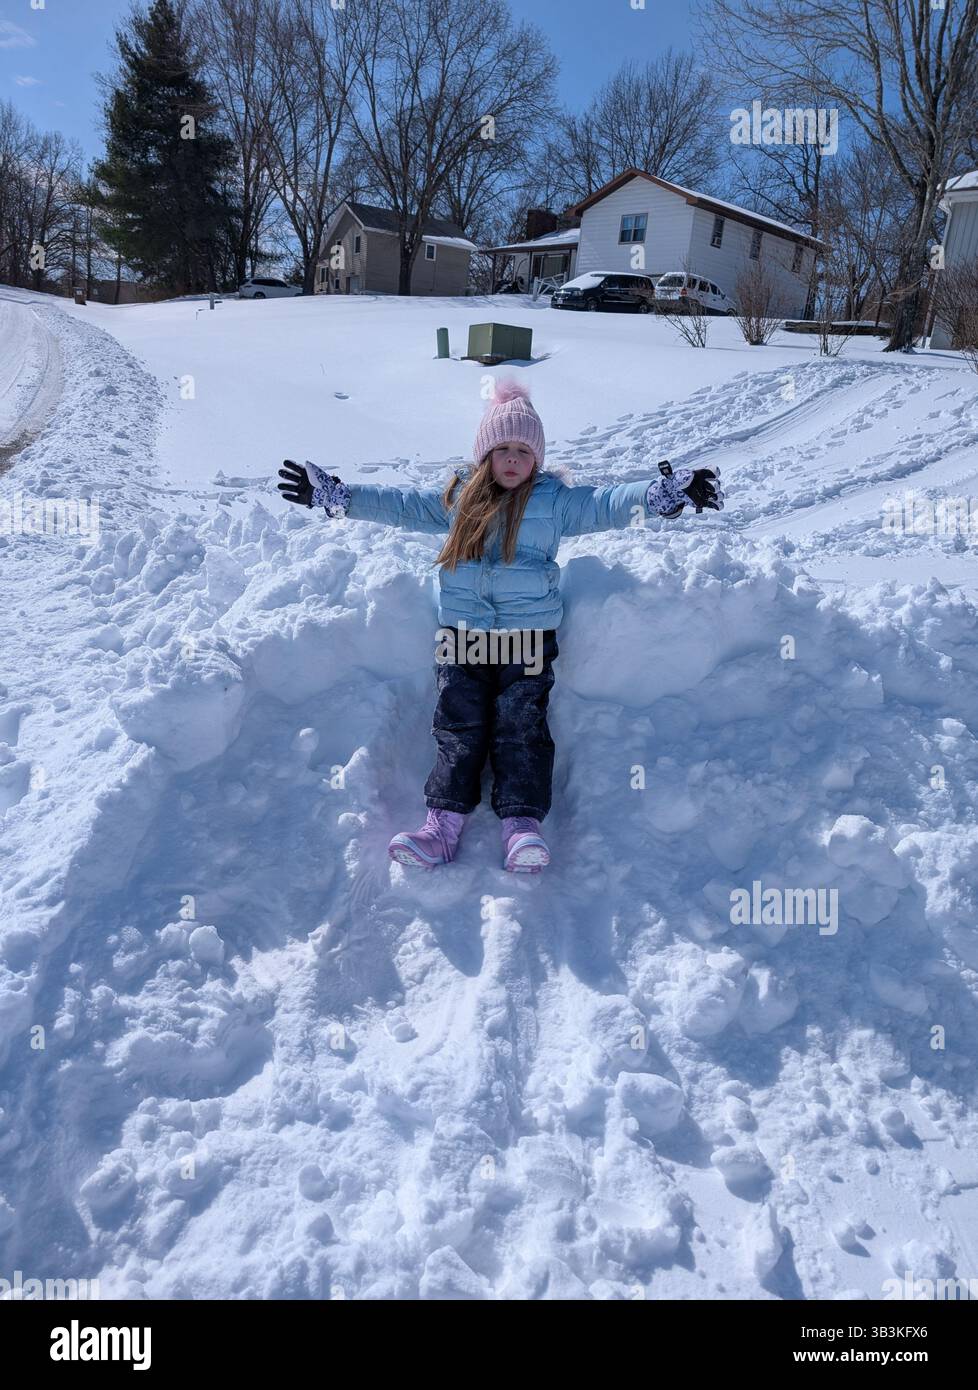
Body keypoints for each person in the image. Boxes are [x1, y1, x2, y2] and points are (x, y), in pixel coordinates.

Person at [276, 380, 722, 873]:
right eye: (502, 449)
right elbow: (398, 506)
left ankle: (521, 826)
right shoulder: (459, 500)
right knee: (456, 727)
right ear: (484, 454)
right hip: (462, 636)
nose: (512, 460)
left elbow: (608, 504)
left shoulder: (555, 501)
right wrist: (341, 496)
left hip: (527, 638)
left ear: (538, 458)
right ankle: (441, 825)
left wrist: (659, 495)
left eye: (523, 451)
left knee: (521, 727)